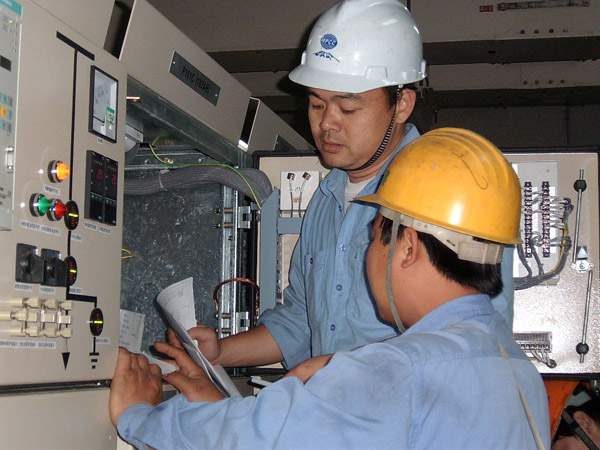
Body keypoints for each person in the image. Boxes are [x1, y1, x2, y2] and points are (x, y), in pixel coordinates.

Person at [110, 128, 551, 450]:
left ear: (407, 248)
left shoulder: (400, 370)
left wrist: (140, 416)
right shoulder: (515, 370)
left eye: (373, 236)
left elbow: (255, 442)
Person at [188, 0, 516, 372]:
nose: (327, 123)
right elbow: (300, 321)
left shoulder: (449, 191)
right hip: (337, 405)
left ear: (402, 104)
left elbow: (474, 334)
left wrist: (340, 370)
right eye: (316, 105)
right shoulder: (326, 200)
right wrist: (219, 353)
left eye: (348, 108)